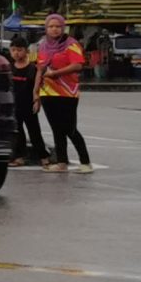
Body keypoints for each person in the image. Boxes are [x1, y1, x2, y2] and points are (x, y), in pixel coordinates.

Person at [34, 13, 92, 173]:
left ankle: (85, 162)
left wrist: (56, 73)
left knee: (69, 128)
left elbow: (78, 65)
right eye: (51, 26)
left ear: (63, 27)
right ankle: (61, 162)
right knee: (56, 128)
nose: (54, 29)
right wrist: (36, 92)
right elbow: (40, 69)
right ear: (46, 28)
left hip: (67, 92)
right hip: (47, 92)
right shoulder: (43, 46)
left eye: (58, 26)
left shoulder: (71, 44)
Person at [7, 38, 44, 166]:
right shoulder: (9, 68)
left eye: (19, 50)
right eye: (13, 50)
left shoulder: (33, 69)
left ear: (26, 51)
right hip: (14, 106)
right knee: (18, 132)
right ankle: (19, 157)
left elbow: (37, 87)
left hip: (28, 105)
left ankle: (43, 156)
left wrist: (37, 101)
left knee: (34, 131)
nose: (16, 53)